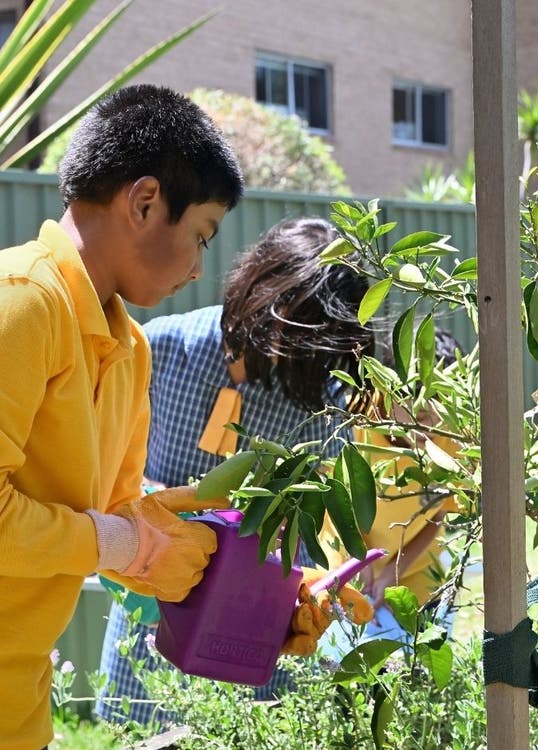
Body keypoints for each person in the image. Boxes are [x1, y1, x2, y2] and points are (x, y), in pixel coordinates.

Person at [0, 84, 245, 750]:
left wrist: (260, 594)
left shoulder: (130, 349)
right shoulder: (20, 304)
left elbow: (115, 525)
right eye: (201, 235)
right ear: (144, 202)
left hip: (21, 711)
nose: (199, 268)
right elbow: (106, 538)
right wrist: (126, 542)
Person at [95, 216, 375, 726]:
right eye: (309, 345)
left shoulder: (321, 401)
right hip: (153, 619)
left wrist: (312, 586)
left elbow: (312, 530)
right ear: (269, 299)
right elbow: (99, 480)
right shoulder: (157, 349)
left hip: (254, 632)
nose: (317, 368)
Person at [319, 328, 462, 657]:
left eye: (439, 396)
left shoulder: (451, 437)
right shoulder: (354, 420)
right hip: (344, 563)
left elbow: (439, 515)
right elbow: (334, 497)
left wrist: (392, 574)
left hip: (416, 570)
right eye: (414, 394)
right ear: (385, 388)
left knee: (419, 668)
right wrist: (361, 561)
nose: (427, 411)